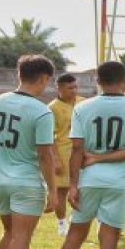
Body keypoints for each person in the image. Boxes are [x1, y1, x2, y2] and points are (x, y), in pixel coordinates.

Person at [58, 60, 125, 249]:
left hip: (89, 179)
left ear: (98, 81)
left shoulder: (82, 107)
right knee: (109, 238)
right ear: (124, 81)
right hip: (120, 181)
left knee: (75, 235)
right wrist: (102, 158)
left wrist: (73, 184)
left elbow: (76, 149)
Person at [0, 54, 58, 249]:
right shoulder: (42, 111)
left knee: (9, 233)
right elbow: (45, 155)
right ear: (44, 78)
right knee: (21, 238)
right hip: (26, 181)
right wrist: (53, 191)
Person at [48, 73, 79, 237]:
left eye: (75, 87)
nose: (74, 91)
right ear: (59, 88)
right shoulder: (52, 108)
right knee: (61, 190)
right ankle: (62, 223)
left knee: (85, 189)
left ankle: (80, 219)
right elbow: (49, 136)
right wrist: (55, 159)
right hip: (63, 153)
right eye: (70, 88)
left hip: (82, 153)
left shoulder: (84, 103)